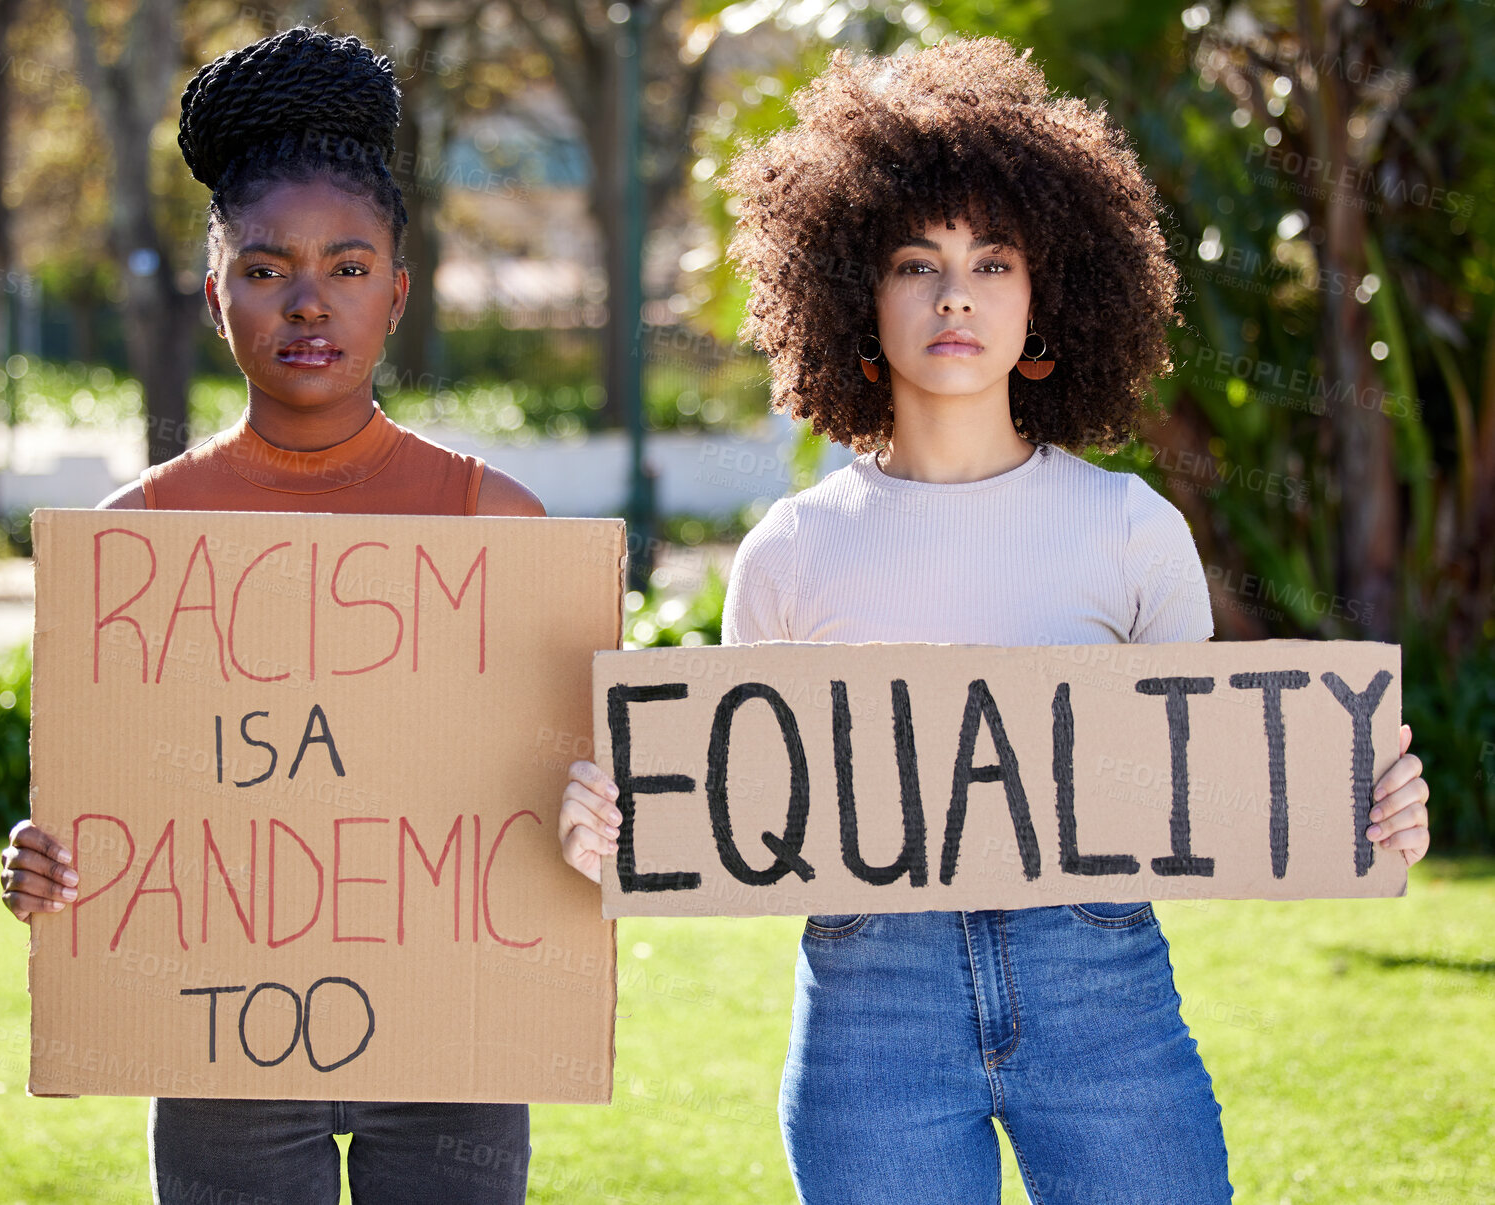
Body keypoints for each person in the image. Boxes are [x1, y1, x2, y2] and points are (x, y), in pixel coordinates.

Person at [557, 38, 1431, 1205]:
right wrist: (618, 828)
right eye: (915, 262)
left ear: (1050, 292)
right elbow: (743, 815)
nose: (955, 293)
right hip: (874, 1005)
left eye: (994, 260)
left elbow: (1207, 787)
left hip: (1102, 990)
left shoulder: (1132, 529)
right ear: (854, 297)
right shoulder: (792, 550)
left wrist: (1358, 807)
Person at [0, 26, 542, 1205]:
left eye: (348, 267)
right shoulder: (135, 535)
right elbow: (121, 794)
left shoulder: (497, 520)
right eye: (265, 268)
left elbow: (553, 779)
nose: (309, 302)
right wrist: (47, 858)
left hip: (452, 1028)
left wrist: (592, 804)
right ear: (214, 292)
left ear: (397, 291)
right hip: (220, 1048)